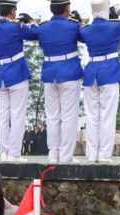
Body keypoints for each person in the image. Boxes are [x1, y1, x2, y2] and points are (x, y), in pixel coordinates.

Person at [80, 0, 120, 163]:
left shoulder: (86, 30)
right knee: (107, 115)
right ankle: (103, 154)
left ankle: (91, 154)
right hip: (110, 71)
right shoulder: (114, 26)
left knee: (92, 116)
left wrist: (85, 22)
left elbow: (81, 33)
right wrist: (115, 17)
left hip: (91, 72)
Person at [0, 0, 39, 162]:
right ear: (12, 11)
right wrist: (31, 22)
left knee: (2, 115)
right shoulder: (17, 27)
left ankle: (3, 151)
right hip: (17, 74)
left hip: (1, 75)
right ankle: (14, 153)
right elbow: (35, 34)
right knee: (17, 115)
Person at [35, 0, 84, 164]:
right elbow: (84, 37)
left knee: (52, 116)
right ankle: (66, 156)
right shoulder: (73, 25)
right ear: (67, 8)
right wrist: (82, 22)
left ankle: (53, 153)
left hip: (50, 73)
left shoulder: (43, 27)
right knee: (68, 116)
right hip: (69, 72)